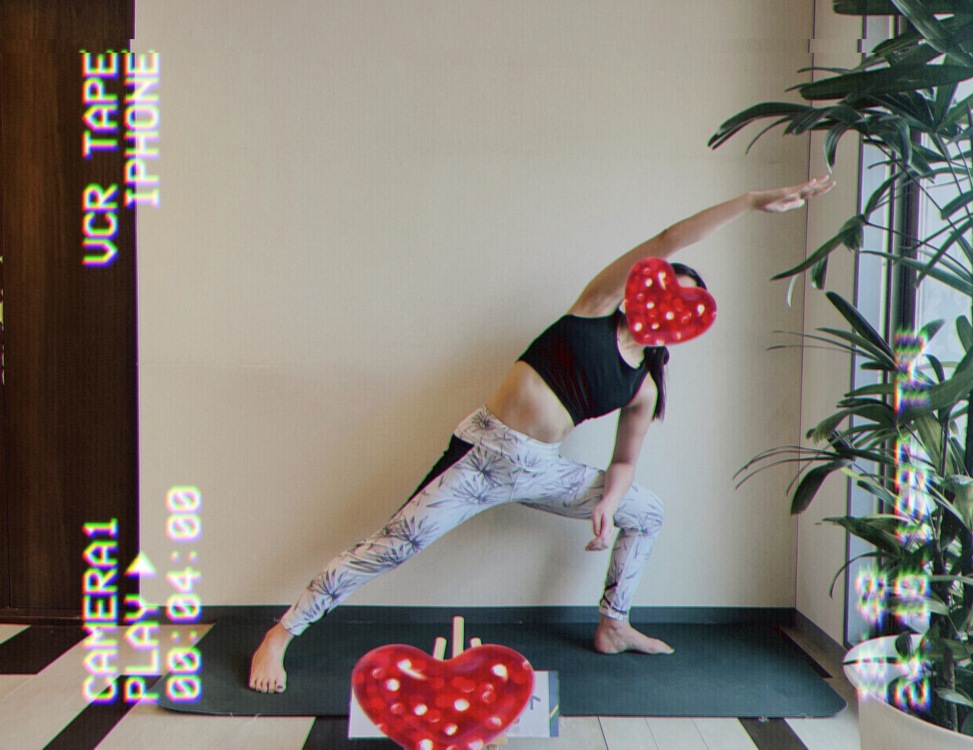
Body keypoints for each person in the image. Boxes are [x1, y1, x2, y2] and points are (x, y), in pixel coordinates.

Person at [249, 175, 835, 694]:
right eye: (657, 288)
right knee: (392, 547)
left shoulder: (643, 386)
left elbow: (624, 461)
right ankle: (281, 633)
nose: (657, 302)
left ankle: (613, 624)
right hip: (481, 458)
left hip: (540, 469)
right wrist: (751, 201)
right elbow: (667, 239)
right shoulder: (594, 306)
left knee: (646, 511)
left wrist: (607, 503)